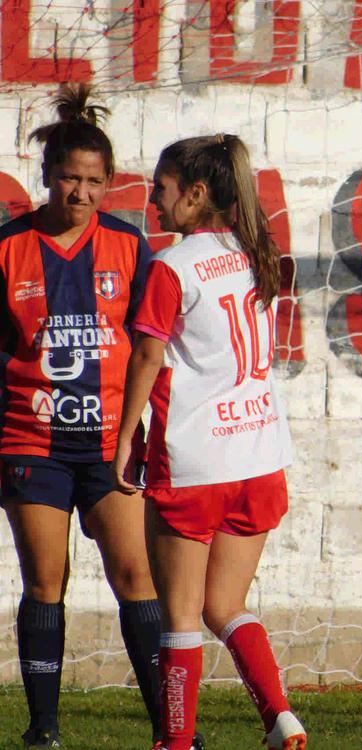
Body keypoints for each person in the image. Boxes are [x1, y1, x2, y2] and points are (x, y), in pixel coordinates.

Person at [111, 134, 306, 750]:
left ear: (196, 194)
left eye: (161, 189)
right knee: (226, 604)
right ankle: (280, 717)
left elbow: (146, 353)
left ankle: (174, 742)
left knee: (181, 616)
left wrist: (125, 440)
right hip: (259, 456)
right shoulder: (256, 252)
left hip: (196, 461)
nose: (152, 202)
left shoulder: (174, 265)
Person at [0, 84, 166, 748]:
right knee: (46, 580)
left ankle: (171, 729)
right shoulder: (7, 248)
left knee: (136, 578)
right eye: (69, 178)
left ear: (109, 185)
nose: (81, 192)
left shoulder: (129, 248)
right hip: (30, 440)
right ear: (46, 178)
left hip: (110, 443)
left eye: (95, 181)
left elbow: (153, 346)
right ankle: (44, 729)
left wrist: (149, 428)